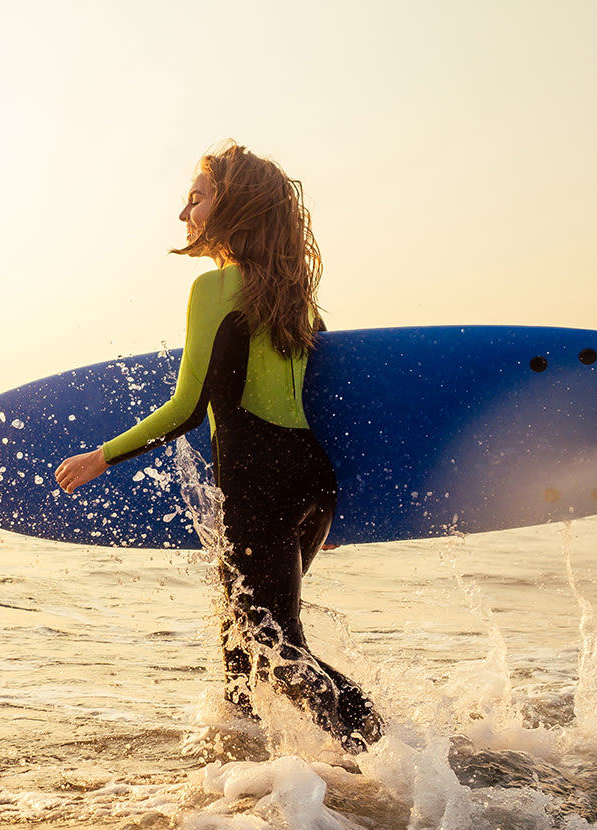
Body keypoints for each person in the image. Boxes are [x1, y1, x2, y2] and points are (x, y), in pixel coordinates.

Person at [54, 141, 382, 753]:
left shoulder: (215, 288)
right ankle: (244, 786)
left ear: (233, 206)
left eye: (197, 198)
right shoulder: (292, 295)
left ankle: (392, 753)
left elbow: (186, 409)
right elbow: (320, 398)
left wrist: (102, 456)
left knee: (274, 648)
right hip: (313, 482)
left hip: (259, 483)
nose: (185, 214)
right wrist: (326, 513)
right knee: (241, 642)